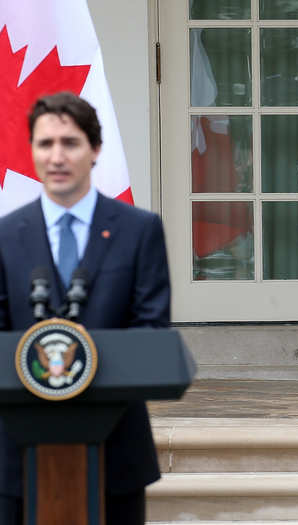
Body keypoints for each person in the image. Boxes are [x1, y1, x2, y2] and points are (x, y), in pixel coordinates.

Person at [0, 92, 170, 524]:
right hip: (17, 457)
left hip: (115, 453)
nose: (56, 156)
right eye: (45, 143)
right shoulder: (6, 235)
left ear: (94, 150)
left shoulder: (139, 230)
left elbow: (150, 331)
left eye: (70, 143)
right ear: (32, 151)